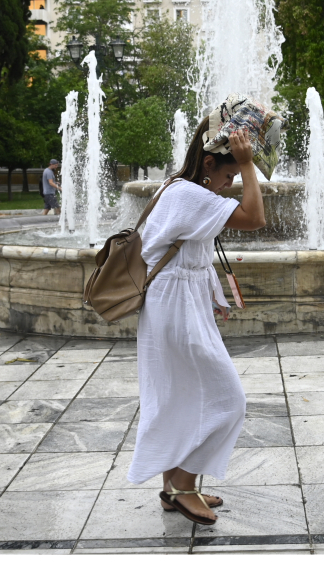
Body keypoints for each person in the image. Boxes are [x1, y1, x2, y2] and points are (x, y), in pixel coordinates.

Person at [126, 118, 266, 527]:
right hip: (174, 307)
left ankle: (174, 488)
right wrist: (248, 164)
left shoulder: (180, 188)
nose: (229, 184)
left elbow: (190, 255)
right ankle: (184, 486)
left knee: (180, 395)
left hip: (177, 302)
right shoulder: (188, 193)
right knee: (229, 399)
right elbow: (255, 218)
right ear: (208, 164)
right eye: (228, 175)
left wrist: (212, 296)